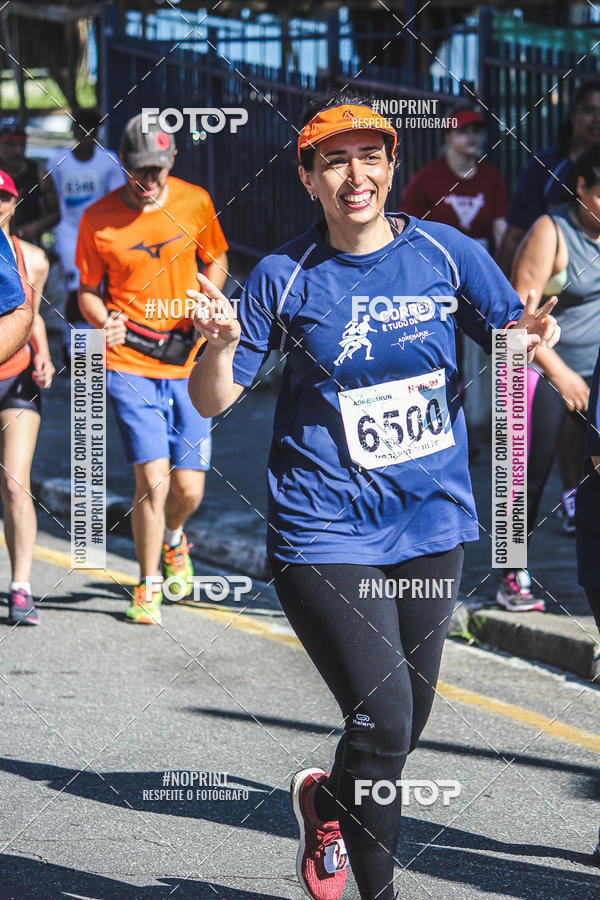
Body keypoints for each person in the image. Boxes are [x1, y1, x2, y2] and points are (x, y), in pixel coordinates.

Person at [187, 93, 559, 900]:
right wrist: (217, 345)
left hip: (430, 524)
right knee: (386, 719)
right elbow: (215, 400)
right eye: (333, 162)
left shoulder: (448, 255)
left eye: (369, 158)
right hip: (324, 529)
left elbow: (509, 333)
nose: (354, 175)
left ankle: (327, 800)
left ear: (391, 167)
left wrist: (534, 339)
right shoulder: (285, 277)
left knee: (396, 732)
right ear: (310, 179)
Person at [76, 113, 228, 625]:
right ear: (122, 164)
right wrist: (104, 321)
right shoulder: (97, 219)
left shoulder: (195, 201)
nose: (148, 182)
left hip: (188, 362)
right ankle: (148, 582)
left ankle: (172, 538)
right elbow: (87, 292)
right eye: (139, 171)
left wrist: (211, 297)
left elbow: (217, 258)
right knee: (152, 481)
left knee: (188, 489)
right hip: (128, 363)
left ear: (172, 162)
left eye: (157, 171)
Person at [496, 144, 600, 612]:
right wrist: (561, 374)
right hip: (541, 370)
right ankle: (510, 575)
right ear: (581, 187)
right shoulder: (551, 230)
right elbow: (519, 320)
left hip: (594, 375)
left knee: (590, 486)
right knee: (522, 482)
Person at [0, 169, 54, 624]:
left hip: (15, 379)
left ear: (15, 204)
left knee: (17, 485)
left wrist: (46, 356)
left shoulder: (32, 258)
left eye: (3, 197)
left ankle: (21, 587)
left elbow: (29, 315)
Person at [45, 107, 125, 366]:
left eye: (92, 129)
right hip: (69, 236)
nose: (87, 134)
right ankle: (75, 349)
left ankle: (96, 348)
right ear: (74, 131)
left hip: (101, 237)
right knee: (76, 291)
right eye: (82, 128)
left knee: (98, 290)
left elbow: (118, 201)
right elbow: (52, 200)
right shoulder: (57, 162)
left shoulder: (109, 161)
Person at [497, 80, 600, 277]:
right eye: (589, 111)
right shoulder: (545, 166)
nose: (597, 119)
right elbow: (514, 235)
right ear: (573, 115)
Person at [401, 106, 508, 254]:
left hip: (479, 260)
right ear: (448, 135)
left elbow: (500, 228)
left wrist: (502, 269)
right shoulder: (426, 178)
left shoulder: (492, 176)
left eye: (476, 131)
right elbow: (406, 228)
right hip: (437, 262)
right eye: (463, 131)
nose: (471, 136)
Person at [0, 118, 59, 244]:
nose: (17, 150)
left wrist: (34, 228)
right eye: (10, 145)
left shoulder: (39, 173)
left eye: (21, 144)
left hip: (29, 244)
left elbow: (55, 214)